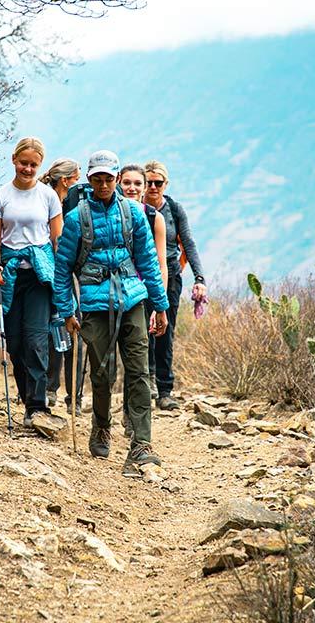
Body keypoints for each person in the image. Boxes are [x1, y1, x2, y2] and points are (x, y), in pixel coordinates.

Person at [53, 150, 169, 477]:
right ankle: (101, 425)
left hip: (133, 301)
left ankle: (142, 444)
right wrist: (67, 311)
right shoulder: (76, 218)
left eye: (108, 178)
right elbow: (62, 270)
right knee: (102, 373)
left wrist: (160, 306)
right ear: (90, 180)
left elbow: (148, 262)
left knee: (139, 372)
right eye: (97, 179)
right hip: (94, 305)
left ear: (116, 179)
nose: (103, 184)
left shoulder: (133, 214)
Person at [0, 137, 63, 428]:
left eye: (33, 165)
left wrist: (63, 273)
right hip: (10, 274)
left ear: (40, 166)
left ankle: (38, 407)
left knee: (36, 340)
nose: (27, 169)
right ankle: (28, 401)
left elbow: (57, 239)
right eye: (23, 163)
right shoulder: (0, 197)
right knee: (14, 342)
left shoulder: (48, 197)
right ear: (14, 160)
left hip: (39, 276)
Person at [143, 160, 207, 411]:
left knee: (165, 330)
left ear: (165, 184)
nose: (153, 187)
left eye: (158, 183)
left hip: (170, 276)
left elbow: (188, 243)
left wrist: (199, 278)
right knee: (142, 331)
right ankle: (146, 384)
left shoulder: (174, 210)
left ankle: (165, 390)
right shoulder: (135, 208)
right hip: (140, 276)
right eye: (149, 182)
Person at [118, 164, 167, 436]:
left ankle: (133, 416)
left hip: (145, 292)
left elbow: (160, 263)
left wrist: (160, 304)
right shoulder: (111, 213)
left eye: (138, 183)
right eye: (127, 182)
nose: (132, 188)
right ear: (119, 182)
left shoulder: (153, 217)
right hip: (115, 290)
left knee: (139, 357)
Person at [39, 159, 84, 413]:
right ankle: (71, 396)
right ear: (65, 181)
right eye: (76, 179)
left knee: (55, 328)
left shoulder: (51, 200)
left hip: (50, 273)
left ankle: (52, 390)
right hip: (59, 274)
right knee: (69, 326)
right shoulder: (53, 203)